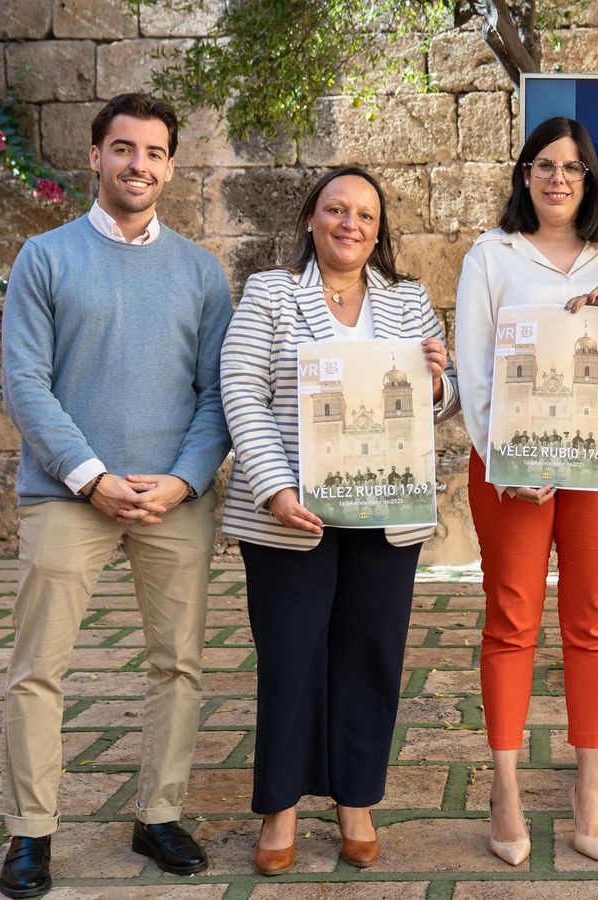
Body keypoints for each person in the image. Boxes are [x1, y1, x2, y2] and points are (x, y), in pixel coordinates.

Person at [0, 92, 232, 899]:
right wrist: (89, 477)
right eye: (124, 149)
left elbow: (217, 395)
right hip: (68, 496)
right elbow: (25, 384)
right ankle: (31, 832)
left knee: (179, 665)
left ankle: (158, 814)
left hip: (175, 498)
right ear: (95, 156)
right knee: (39, 669)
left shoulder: (202, 272)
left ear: (171, 165)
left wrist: (183, 479)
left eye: (156, 152)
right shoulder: (46, 257)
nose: (140, 165)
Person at [219, 166, 459, 876]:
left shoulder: (410, 302)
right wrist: (272, 488)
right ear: (311, 219)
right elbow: (242, 390)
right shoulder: (270, 293)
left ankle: (356, 798)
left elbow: (439, 405)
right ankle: (281, 806)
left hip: (385, 514)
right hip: (295, 513)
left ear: (378, 231)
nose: (350, 223)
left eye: (364, 214)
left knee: (371, 654)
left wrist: (439, 378)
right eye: (335, 210)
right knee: (292, 658)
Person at [454, 115, 598, 867]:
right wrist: (503, 458)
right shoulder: (491, 255)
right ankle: (504, 785)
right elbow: (472, 368)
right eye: (544, 165)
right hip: (512, 459)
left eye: (573, 168)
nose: (558, 179)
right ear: (524, 174)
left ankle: (583, 782)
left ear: (590, 179)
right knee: (510, 616)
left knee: (593, 615)